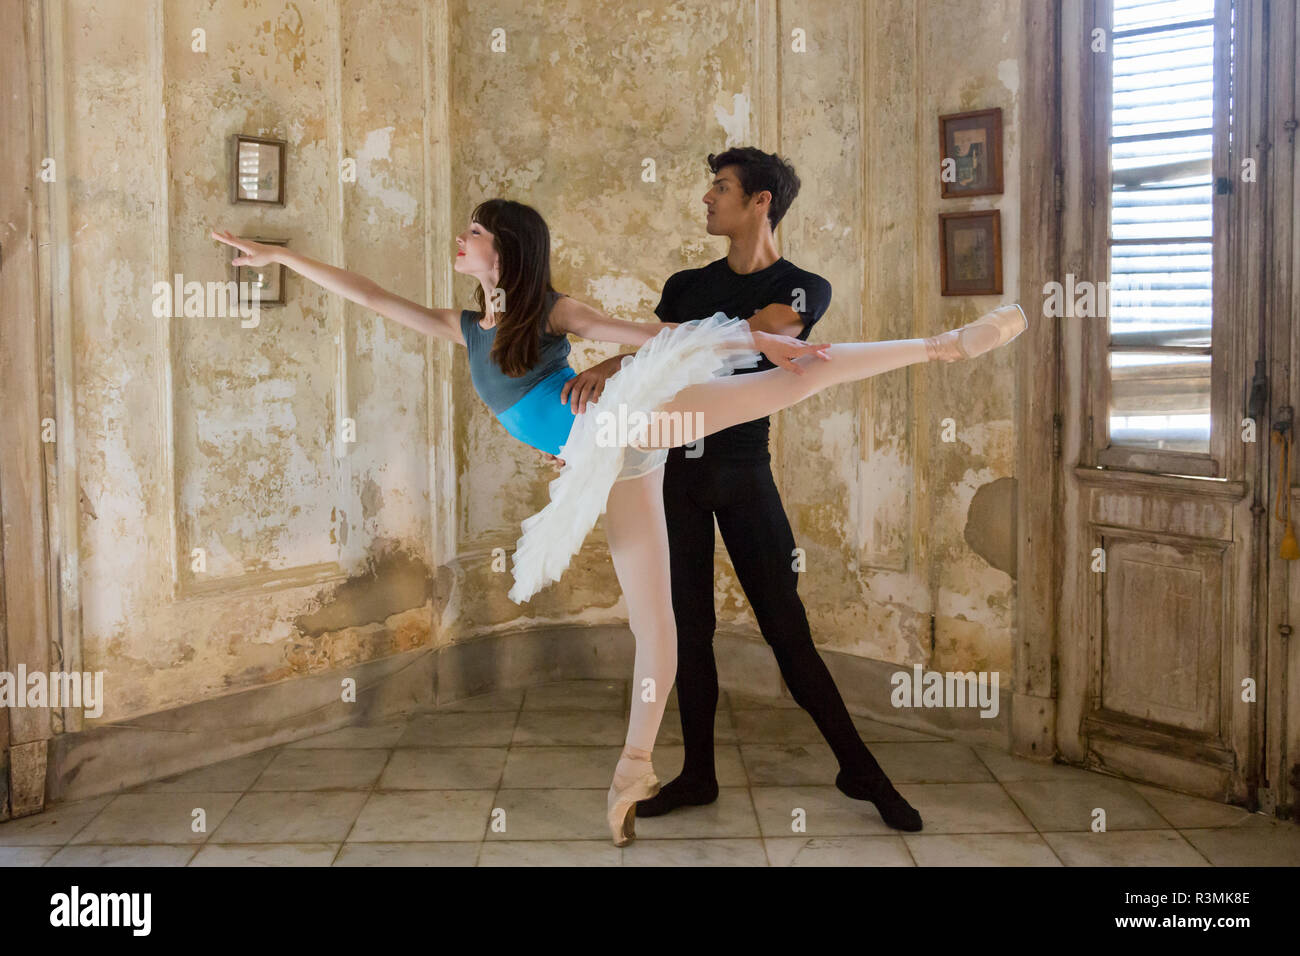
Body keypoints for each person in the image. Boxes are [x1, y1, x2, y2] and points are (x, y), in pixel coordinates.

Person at [211, 200, 1025, 846]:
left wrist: (746, 340)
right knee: (657, 623)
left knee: (785, 382)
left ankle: (944, 345)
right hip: (611, 463)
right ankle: (634, 768)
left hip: (633, 418)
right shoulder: (466, 329)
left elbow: (652, 336)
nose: (460, 241)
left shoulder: (552, 309)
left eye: (473, 233)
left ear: (505, 249)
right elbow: (373, 296)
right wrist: (284, 259)